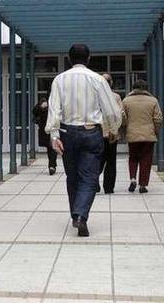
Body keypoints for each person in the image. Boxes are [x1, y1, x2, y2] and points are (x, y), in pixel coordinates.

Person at [45, 44, 122, 237]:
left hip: (67, 133)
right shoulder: (97, 79)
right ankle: (81, 216)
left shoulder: (59, 80)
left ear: (69, 59)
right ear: (88, 59)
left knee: (72, 177)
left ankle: (75, 215)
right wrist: (113, 129)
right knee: (89, 177)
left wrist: (54, 136)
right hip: (91, 132)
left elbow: (54, 110)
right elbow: (111, 110)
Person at [122, 79, 162, 194]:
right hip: (148, 135)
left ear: (133, 88)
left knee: (133, 158)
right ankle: (143, 184)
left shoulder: (126, 100)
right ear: (146, 88)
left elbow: (123, 117)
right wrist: (156, 130)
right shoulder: (153, 101)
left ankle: (133, 178)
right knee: (146, 159)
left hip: (132, 134)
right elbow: (158, 118)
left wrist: (125, 127)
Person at [98, 73, 123, 194]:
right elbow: (120, 115)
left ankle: (93, 183)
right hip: (112, 134)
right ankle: (109, 187)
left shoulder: (94, 97)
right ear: (111, 83)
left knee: (96, 159)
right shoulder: (116, 97)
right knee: (111, 161)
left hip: (97, 134)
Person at [33, 96, 57, 175]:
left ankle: (52, 165)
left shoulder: (56, 104)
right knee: (50, 148)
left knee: (53, 147)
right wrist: (41, 106)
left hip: (54, 128)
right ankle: (52, 164)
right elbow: (34, 112)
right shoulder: (43, 104)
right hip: (45, 130)